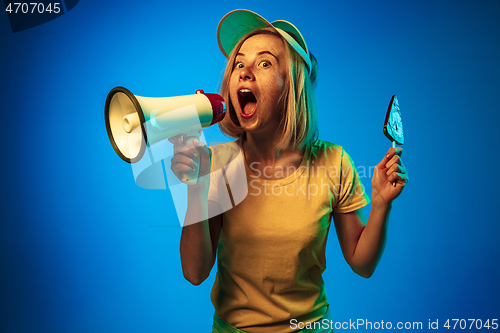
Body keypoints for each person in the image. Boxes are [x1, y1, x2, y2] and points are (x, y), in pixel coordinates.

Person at [170, 9, 408, 333]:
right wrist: (194, 187)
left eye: (264, 63)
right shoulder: (215, 163)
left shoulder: (334, 162)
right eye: (239, 63)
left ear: (292, 85)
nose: (245, 72)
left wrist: (381, 203)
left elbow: (362, 263)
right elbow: (195, 272)